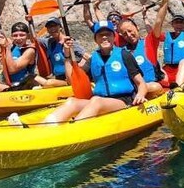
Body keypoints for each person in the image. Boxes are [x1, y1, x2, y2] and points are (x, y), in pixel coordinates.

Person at [12, 21, 149, 125]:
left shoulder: (125, 55)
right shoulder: (93, 59)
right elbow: (72, 81)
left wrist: (141, 95)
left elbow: (141, 83)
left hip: (123, 101)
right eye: (101, 35)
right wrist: (66, 55)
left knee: (96, 101)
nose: (105, 38)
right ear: (96, 39)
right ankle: (45, 127)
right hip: (100, 100)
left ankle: (74, 128)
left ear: (114, 37)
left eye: (108, 35)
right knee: (72, 102)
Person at [115, 17, 165, 93]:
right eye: (125, 34)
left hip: (152, 86)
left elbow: (158, 21)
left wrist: (163, 5)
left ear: (137, 27)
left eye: (130, 31)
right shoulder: (122, 52)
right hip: (133, 89)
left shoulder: (149, 43)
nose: (128, 35)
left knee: (155, 86)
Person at [33, 17, 85, 88]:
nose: (52, 29)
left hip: (70, 77)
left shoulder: (70, 42)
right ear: (47, 30)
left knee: (49, 83)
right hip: (58, 77)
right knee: (34, 78)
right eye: (49, 27)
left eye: (54, 26)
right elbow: (34, 38)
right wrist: (30, 22)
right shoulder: (49, 42)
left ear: (60, 27)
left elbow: (84, 55)